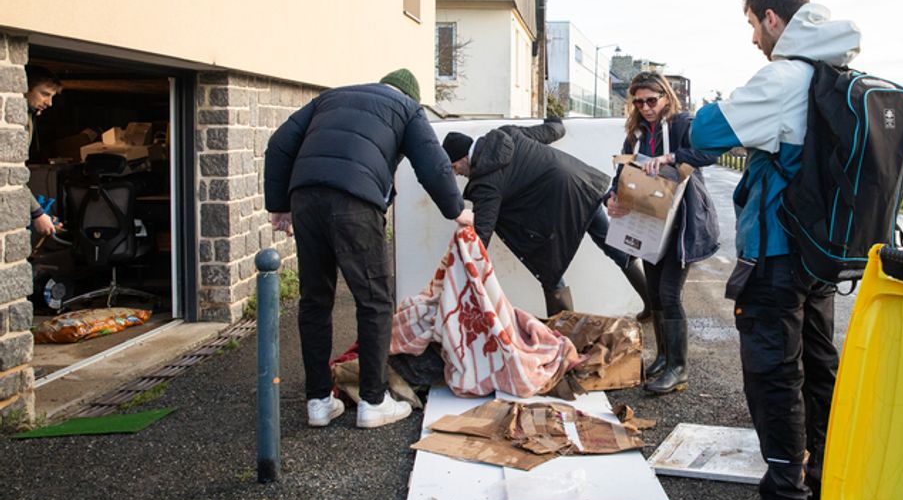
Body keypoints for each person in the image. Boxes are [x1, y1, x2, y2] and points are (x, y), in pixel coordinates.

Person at [691, 0, 859, 500]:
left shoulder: (784, 76)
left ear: (771, 18)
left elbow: (708, 131)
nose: (753, 40)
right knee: (817, 367)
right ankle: (820, 490)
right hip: (820, 259)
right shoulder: (835, 76)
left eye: (752, 25)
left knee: (772, 379)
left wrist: (716, 110)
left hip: (778, 257)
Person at [264, 68, 473, 430]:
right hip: (355, 201)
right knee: (374, 300)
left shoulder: (330, 98)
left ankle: (318, 401)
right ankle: (373, 401)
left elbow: (279, 144)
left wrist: (278, 205)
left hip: (306, 197)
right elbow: (433, 162)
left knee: (315, 299)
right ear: (411, 94)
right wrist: (457, 210)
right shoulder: (407, 108)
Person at [441, 116, 650, 317]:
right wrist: (554, 119)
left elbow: (483, 230)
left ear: (463, 157)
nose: (457, 173)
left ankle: (564, 336)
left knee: (550, 272)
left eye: (454, 167)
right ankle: (652, 302)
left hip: (559, 206)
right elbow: (552, 131)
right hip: (581, 183)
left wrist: (466, 268)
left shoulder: (486, 181)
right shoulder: (507, 134)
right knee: (612, 245)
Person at [605, 72, 719, 395]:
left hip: (683, 223)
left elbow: (709, 154)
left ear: (666, 97)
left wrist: (671, 157)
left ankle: (678, 369)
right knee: (654, 292)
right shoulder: (637, 133)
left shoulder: (683, 124)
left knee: (669, 293)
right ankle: (664, 358)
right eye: (638, 102)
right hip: (650, 222)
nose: (644, 107)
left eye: (651, 101)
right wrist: (611, 198)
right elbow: (622, 173)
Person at [24, 66, 62, 238]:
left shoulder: (29, 116)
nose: (49, 103)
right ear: (25, 88)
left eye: (52, 96)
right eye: (45, 94)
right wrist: (37, 213)